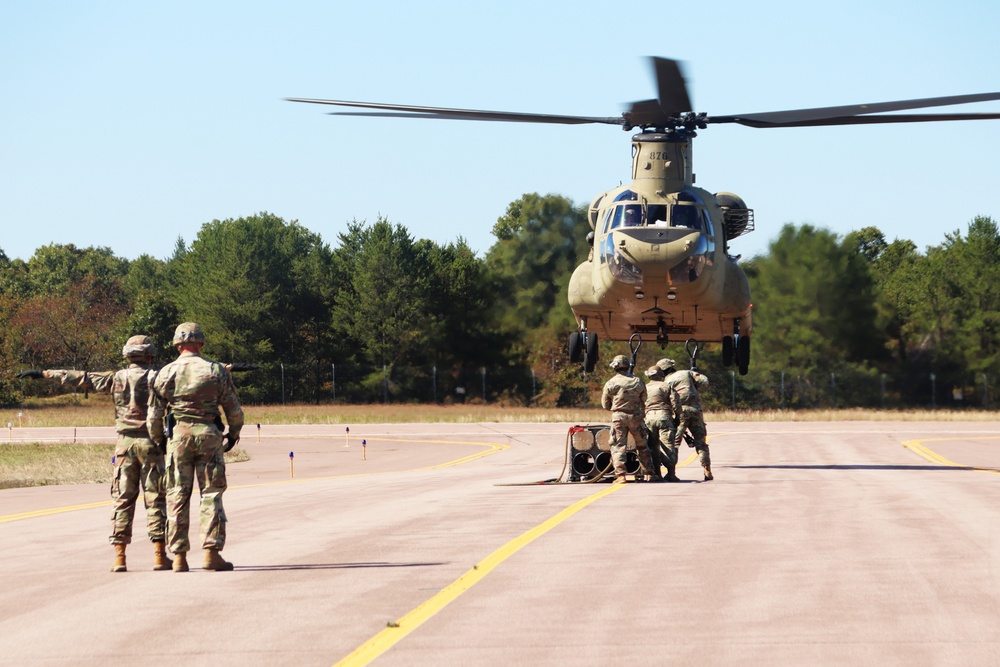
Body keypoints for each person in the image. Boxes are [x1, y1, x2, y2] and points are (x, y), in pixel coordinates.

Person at [18, 335, 172, 572]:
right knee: (155, 499)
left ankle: (120, 557)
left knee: (122, 500)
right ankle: (159, 556)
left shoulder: (115, 378)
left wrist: (43, 373)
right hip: (152, 444)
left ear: (127, 355)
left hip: (124, 446)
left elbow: (81, 377)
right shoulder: (158, 377)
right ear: (150, 355)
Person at [148, 322, 244, 572]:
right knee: (211, 494)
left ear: (177, 345)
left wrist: (159, 440)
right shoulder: (215, 370)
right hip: (209, 435)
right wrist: (233, 434)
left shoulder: (165, 373)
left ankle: (179, 556)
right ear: (200, 343)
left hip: (178, 437)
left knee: (177, 495)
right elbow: (233, 409)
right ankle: (211, 553)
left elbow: (153, 417)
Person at [601, 354, 657, 483]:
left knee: (618, 445)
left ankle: (621, 475)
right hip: (636, 416)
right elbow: (645, 400)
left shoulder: (611, 382)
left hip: (618, 416)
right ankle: (649, 473)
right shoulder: (638, 381)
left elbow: (605, 405)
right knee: (642, 444)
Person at [657, 358, 713, 480]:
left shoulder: (666, 382)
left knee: (674, 444)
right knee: (701, 443)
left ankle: (671, 473)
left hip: (680, 412)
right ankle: (707, 470)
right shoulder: (687, 373)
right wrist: (694, 386)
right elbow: (705, 380)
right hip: (696, 411)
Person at [644, 365, 680, 482]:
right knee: (668, 445)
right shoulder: (666, 386)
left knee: (653, 446)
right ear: (661, 375)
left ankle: (657, 474)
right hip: (664, 416)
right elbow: (675, 402)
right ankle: (671, 473)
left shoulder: (644, 387)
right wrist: (678, 416)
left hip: (649, 417)